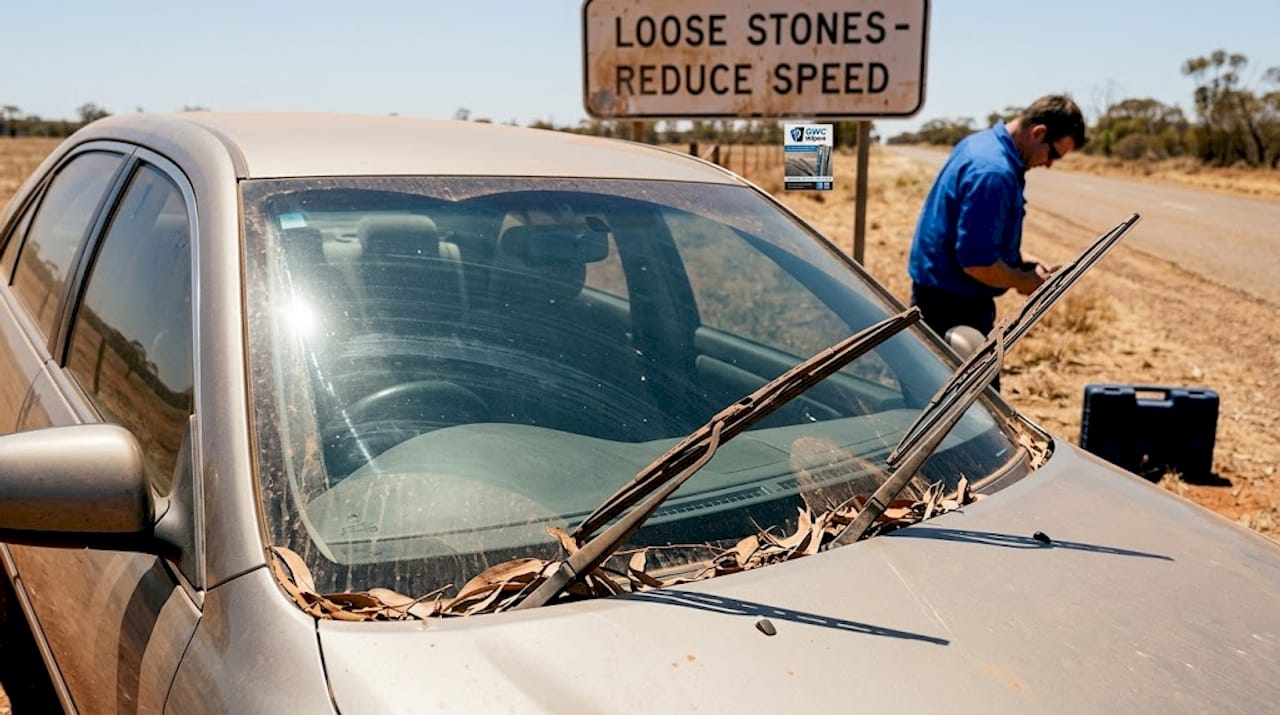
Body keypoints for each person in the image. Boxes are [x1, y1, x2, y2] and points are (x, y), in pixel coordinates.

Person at [907, 94, 1088, 341]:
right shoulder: (994, 172)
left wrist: (1018, 259)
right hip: (953, 310)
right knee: (969, 381)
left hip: (938, 298)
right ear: (1038, 133)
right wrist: (1023, 281)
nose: (1049, 165)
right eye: (1053, 155)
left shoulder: (980, 144)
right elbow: (977, 262)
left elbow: (965, 233)